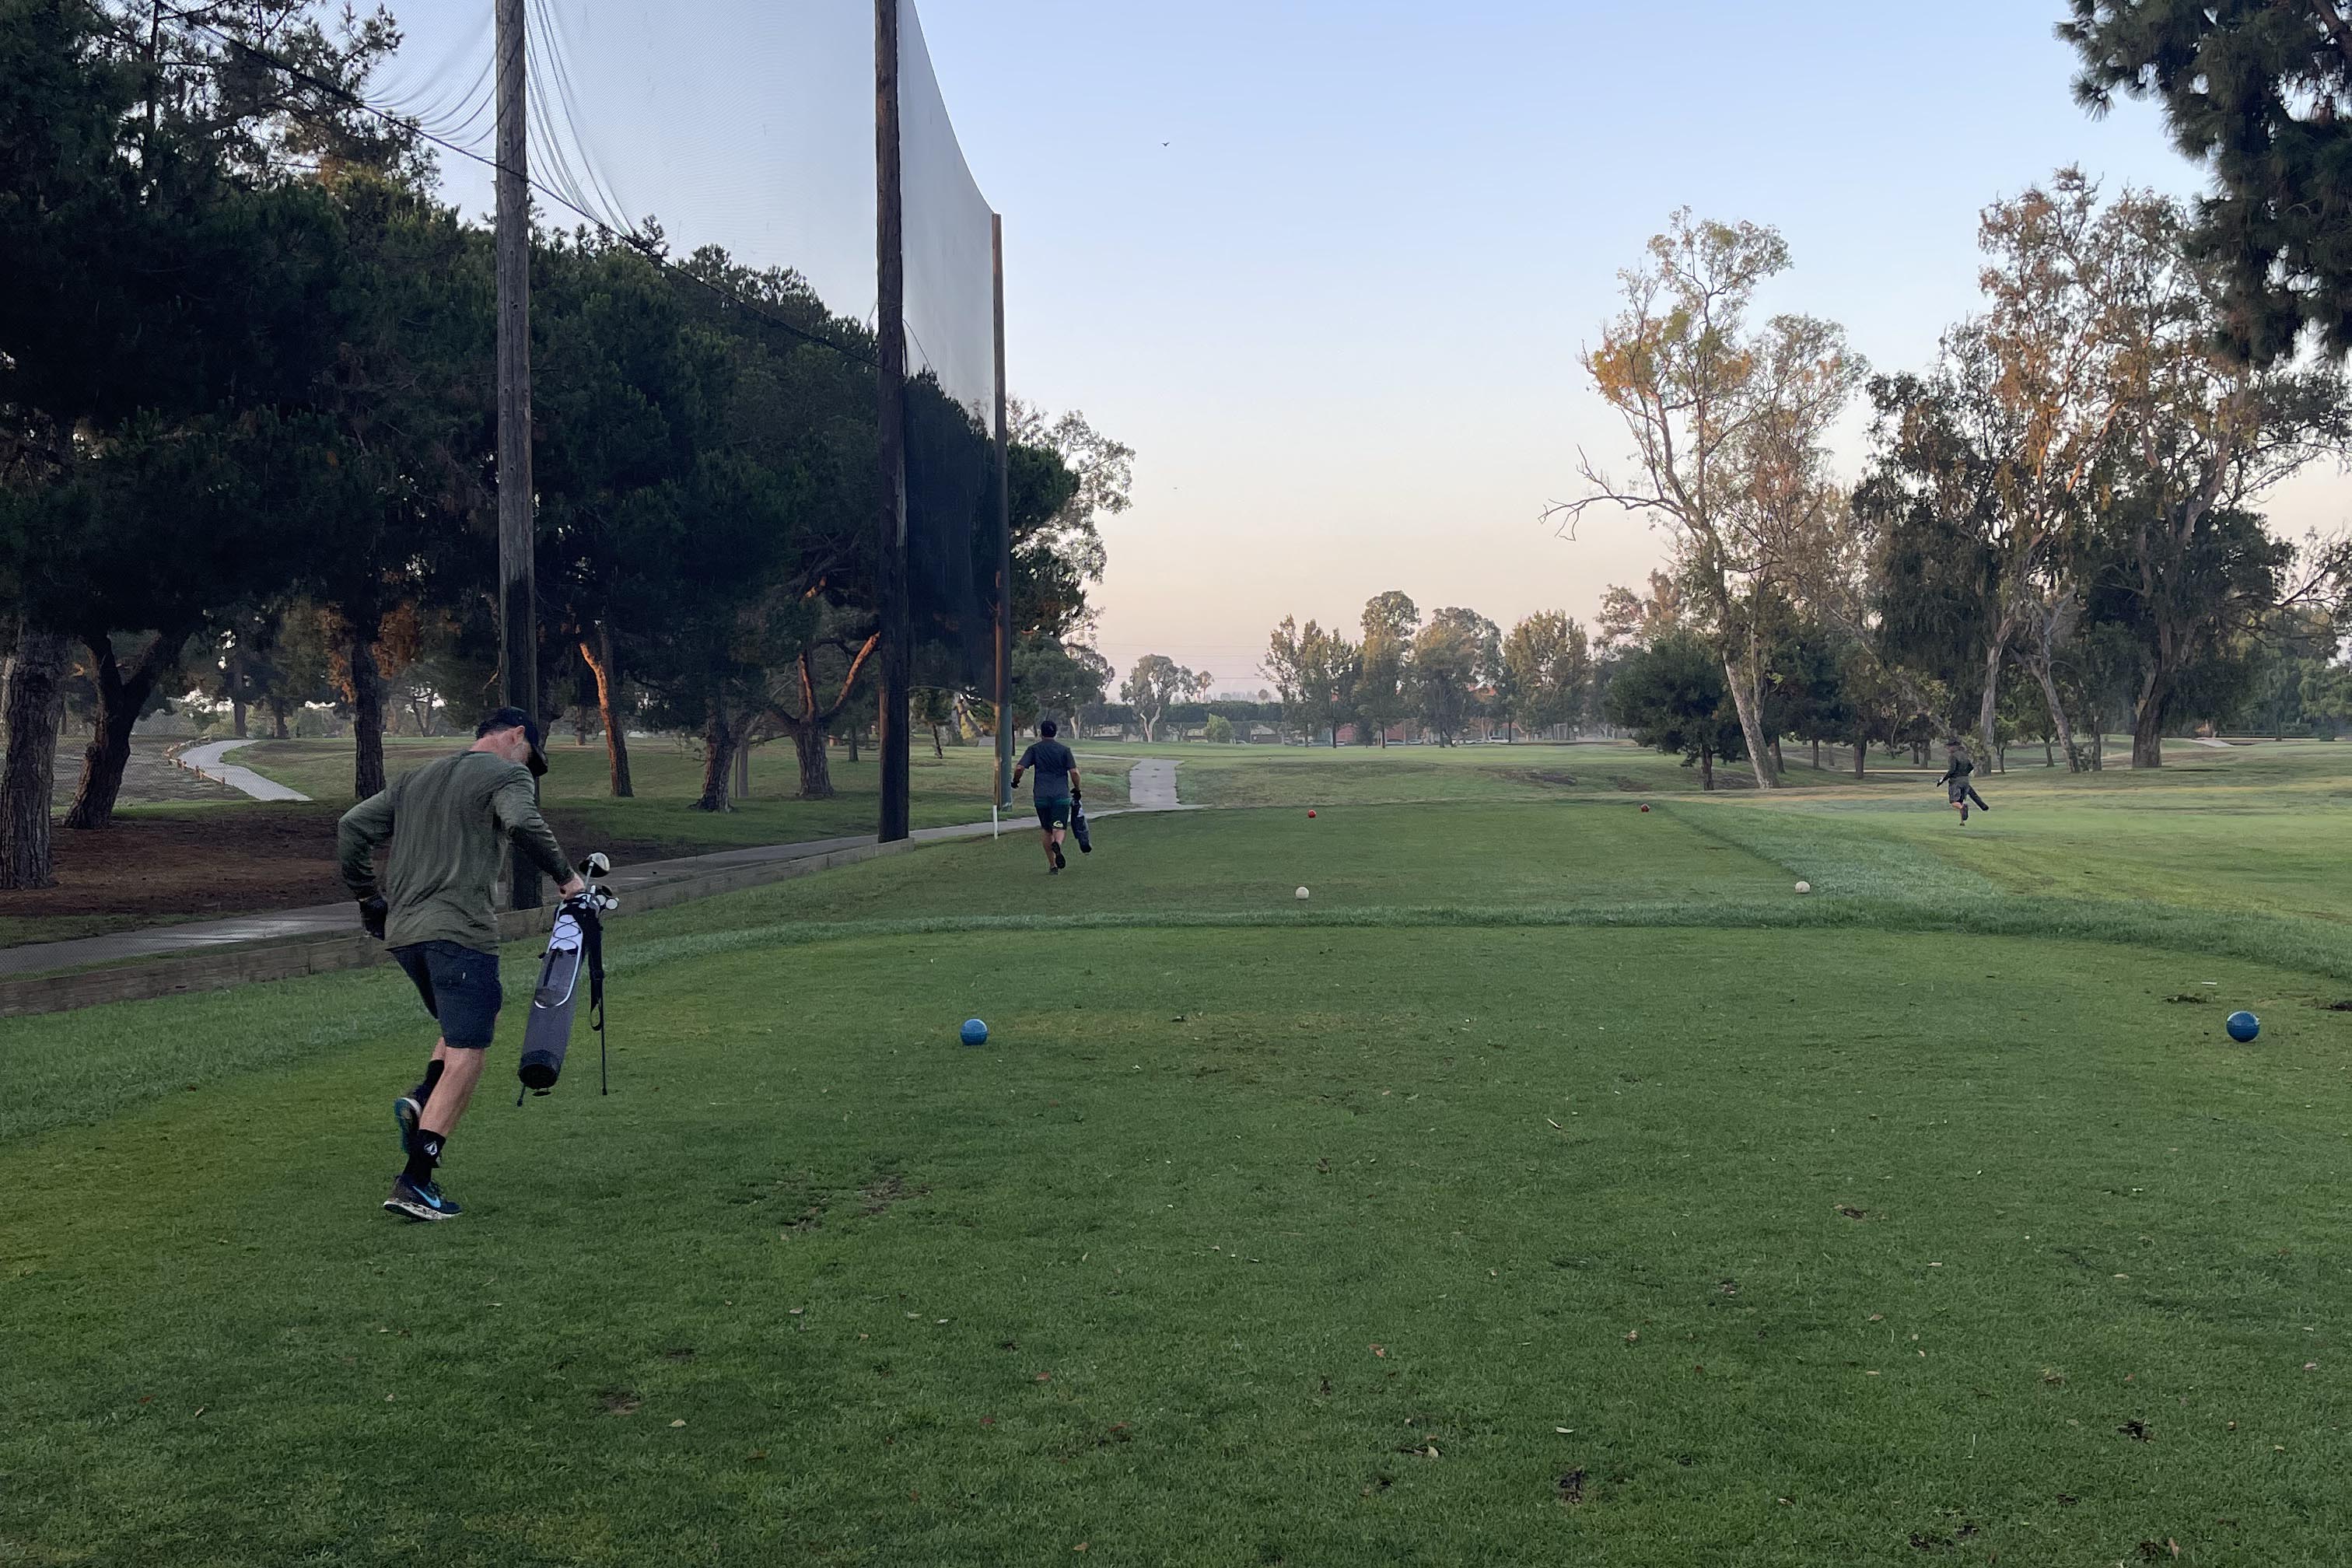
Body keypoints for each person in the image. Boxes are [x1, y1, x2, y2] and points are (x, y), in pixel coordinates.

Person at [338, 707, 585, 1222]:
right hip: (460, 931)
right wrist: (567, 879)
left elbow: (352, 827)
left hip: (405, 936)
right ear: (515, 736)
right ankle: (416, 1180)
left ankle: (423, 1096)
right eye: (530, 757)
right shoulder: (508, 773)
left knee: (475, 1015)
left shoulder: (415, 779)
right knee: (470, 1053)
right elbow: (521, 821)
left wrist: (368, 898)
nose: (529, 768)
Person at [1009, 719, 1083, 874]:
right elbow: (1074, 772)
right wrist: (1077, 788)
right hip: (1061, 796)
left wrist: (1016, 781)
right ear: (1055, 732)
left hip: (1042, 796)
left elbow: (1020, 767)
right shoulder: (1064, 750)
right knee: (1059, 826)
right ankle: (1058, 844)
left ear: (1041, 733)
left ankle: (1053, 865)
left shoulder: (1034, 749)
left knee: (1047, 829)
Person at [1935, 746, 1992, 824]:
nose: (1948, 749)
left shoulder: (1953, 756)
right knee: (1963, 798)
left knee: (1954, 802)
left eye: (1949, 748)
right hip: (1965, 780)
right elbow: (1971, 767)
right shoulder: (1964, 756)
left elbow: (1952, 770)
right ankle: (1963, 822)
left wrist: (1942, 780)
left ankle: (1963, 808)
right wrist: (1964, 774)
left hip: (1956, 781)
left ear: (1953, 748)